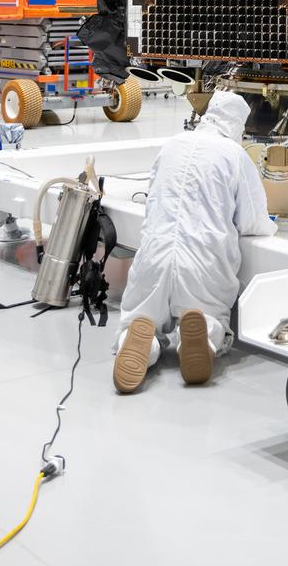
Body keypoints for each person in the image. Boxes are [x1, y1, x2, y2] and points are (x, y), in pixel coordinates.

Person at [113, 88, 276, 392]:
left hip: (154, 254)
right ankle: (204, 336)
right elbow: (253, 221)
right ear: (236, 125)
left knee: (142, 313)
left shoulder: (172, 145)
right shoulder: (234, 155)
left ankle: (139, 341)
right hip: (203, 261)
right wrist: (272, 229)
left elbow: (153, 198)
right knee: (209, 314)